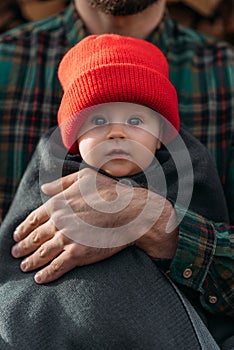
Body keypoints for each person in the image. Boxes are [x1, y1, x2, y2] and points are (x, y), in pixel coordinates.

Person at [0, 0, 233, 347]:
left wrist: (157, 223)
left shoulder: (226, 78)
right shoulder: (7, 66)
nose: (117, 133)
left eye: (136, 121)